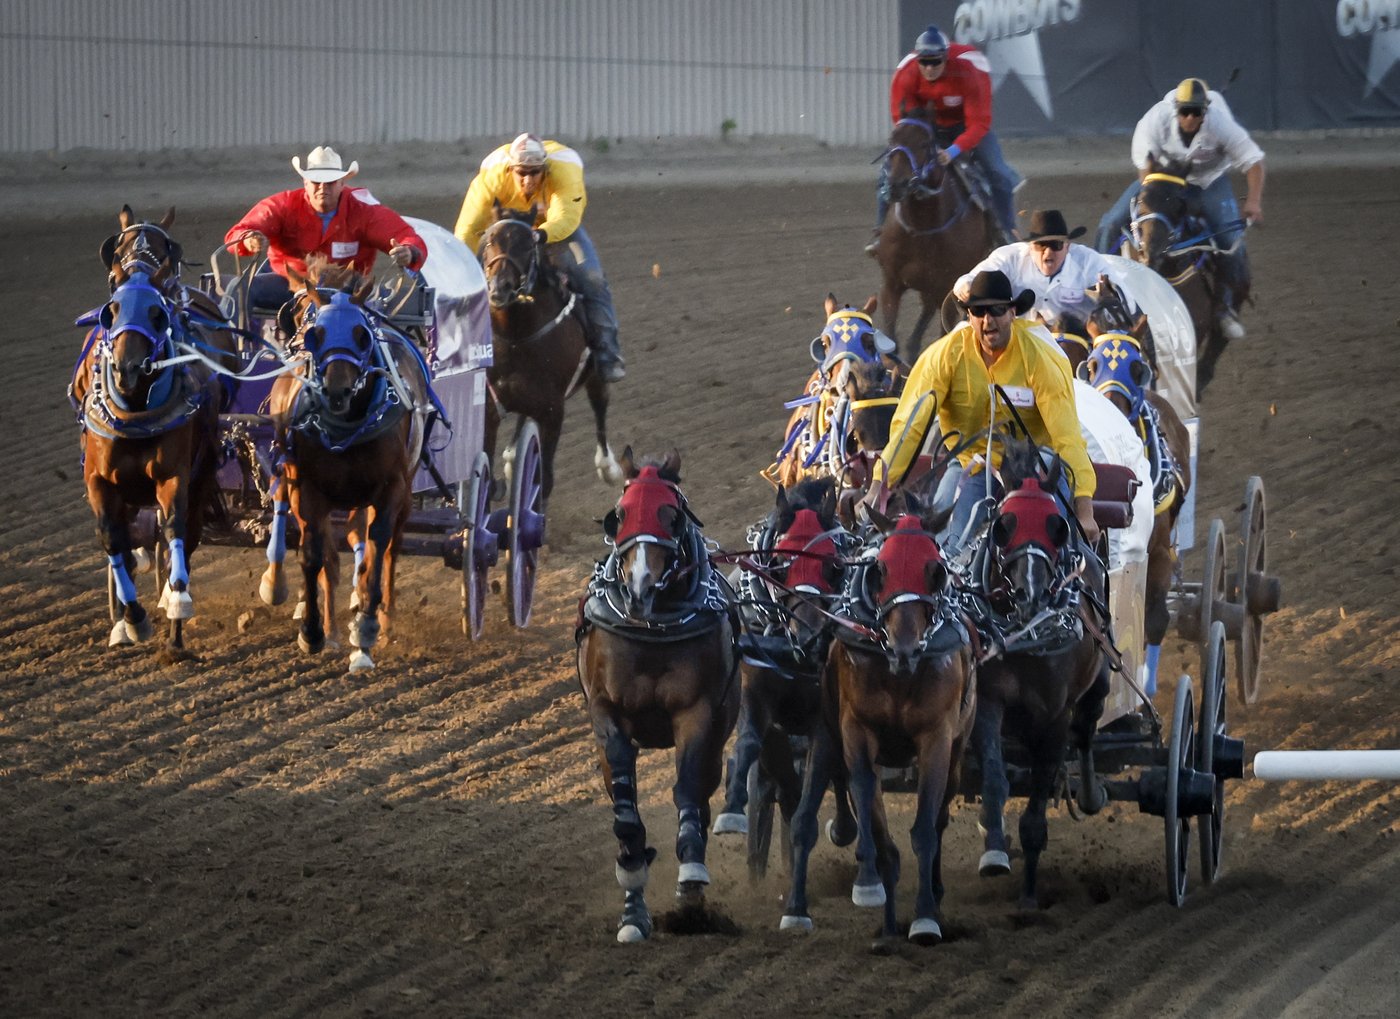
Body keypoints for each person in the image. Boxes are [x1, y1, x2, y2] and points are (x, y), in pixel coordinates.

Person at [864, 270, 1099, 555]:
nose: (988, 320)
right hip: (969, 464)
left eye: (997, 310)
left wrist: (1085, 509)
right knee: (945, 548)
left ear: (1013, 313)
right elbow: (911, 427)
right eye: (979, 311)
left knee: (1046, 541)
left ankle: (1059, 566)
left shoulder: (1040, 359)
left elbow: (1067, 439)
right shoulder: (945, 356)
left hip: (1035, 462)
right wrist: (879, 485)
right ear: (970, 316)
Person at [1095, 78, 1265, 339]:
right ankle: (1099, 294)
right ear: (1176, 110)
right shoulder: (1153, 122)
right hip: (1161, 180)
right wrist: (1163, 201)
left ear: (1204, 112)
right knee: (1110, 223)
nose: (1190, 117)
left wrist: (1253, 200)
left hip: (1208, 182)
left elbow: (1254, 162)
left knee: (1229, 239)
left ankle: (1225, 307)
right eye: (1185, 111)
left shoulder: (1221, 125)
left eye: (1196, 112)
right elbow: (1145, 174)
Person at [453, 133, 626, 383]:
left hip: (551, 230)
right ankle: (462, 350)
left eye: (535, 173)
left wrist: (539, 236)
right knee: (474, 277)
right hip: (509, 227)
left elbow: (566, 219)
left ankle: (607, 353)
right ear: (510, 170)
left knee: (592, 277)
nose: (527, 179)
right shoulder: (489, 181)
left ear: (545, 169)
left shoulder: (565, 172)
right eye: (521, 172)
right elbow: (467, 230)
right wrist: (465, 269)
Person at [866, 24, 1023, 255]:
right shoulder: (906, 74)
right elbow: (903, 120)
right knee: (890, 172)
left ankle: (1007, 231)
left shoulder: (970, 71)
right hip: (926, 127)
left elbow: (979, 124)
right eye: (924, 62)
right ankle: (881, 232)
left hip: (967, 127)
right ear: (917, 59)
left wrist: (952, 151)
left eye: (935, 62)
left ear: (946, 58)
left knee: (997, 172)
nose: (929, 68)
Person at [224, 145, 427, 311]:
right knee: (239, 288)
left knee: (393, 303)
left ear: (342, 184)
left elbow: (406, 237)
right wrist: (248, 240)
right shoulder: (282, 206)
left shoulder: (364, 212)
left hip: (346, 291)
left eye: (330, 183)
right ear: (305, 183)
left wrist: (409, 252)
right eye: (316, 182)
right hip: (290, 285)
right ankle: (234, 352)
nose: (323, 188)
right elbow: (240, 232)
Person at [955, 209, 1137, 330]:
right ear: (1029, 246)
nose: (1048, 252)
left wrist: (1108, 302)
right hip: (1018, 341)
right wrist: (967, 286)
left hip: (1078, 341)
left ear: (1068, 246)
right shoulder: (1010, 258)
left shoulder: (1089, 262)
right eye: (1041, 245)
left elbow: (1125, 300)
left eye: (1056, 245)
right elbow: (967, 280)